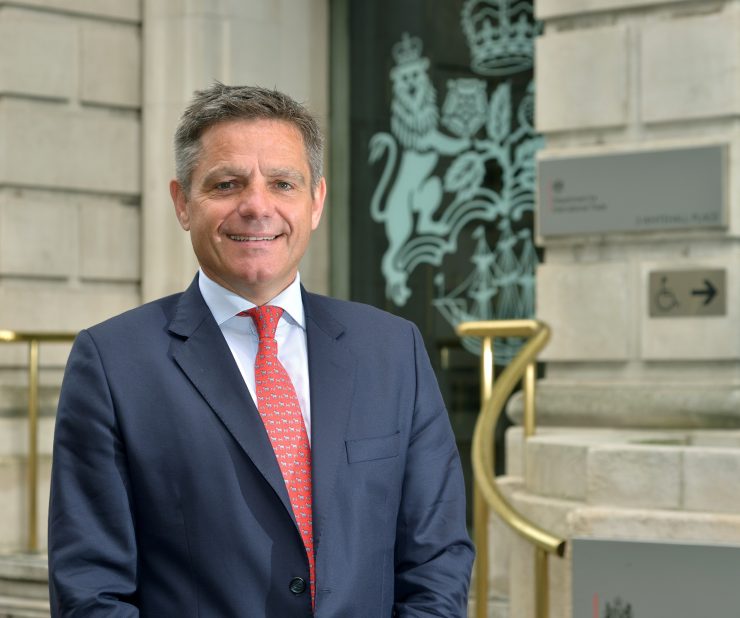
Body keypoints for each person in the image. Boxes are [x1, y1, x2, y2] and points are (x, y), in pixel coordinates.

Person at [48, 83, 474, 617]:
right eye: (226, 184)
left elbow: (437, 559)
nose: (256, 206)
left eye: (282, 183)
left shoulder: (393, 350)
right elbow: (90, 589)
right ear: (182, 203)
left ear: (316, 202)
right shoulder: (113, 364)